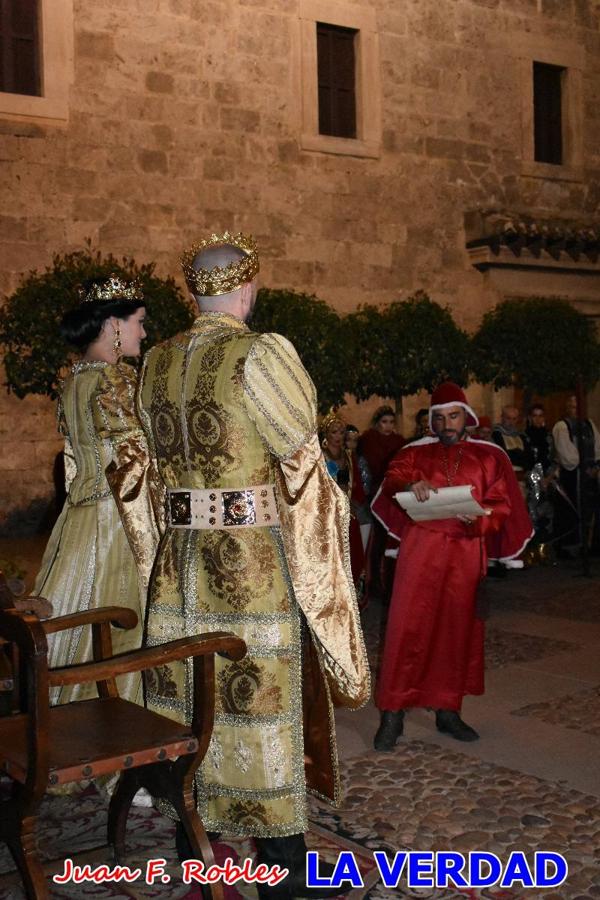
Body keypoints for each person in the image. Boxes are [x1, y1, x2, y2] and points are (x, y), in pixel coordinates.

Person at [137, 232, 369, 898]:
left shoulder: (155, 362)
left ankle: (197, 844)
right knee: (258, 707)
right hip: (249, 569)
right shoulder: (261, 354)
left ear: (192, 293)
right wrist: (325, 552)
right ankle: (282, 869)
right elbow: (301, 466)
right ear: (246, 289)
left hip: (180, 568)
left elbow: (155, 480)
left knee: (195, 701)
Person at [371, 382, 532, 749]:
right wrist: (413, 483)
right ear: (432, 421)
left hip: (464, 554)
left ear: (467, 417)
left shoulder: (488, 457)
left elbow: (501, 505)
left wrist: (478, 519)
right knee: (405, 630)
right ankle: (393, 714)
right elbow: (393, 478)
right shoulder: (414, 454)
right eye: (439, 418)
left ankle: (447, 710)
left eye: (453, 416)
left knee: (455, 632)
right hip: (421, 551)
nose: (447, 424)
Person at [33, 275, 163, 705]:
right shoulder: (116, 382)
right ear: (113, 325)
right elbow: (139, 464)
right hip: (116, 525)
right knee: (122, 633)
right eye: (139, 322)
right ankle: (118, 734)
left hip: (78, 521)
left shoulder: (73, 381)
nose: (144, 332)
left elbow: (74, 464)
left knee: (73, 626)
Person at [358, 406, 405, 599]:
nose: (388, 426)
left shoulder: (399, 442)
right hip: (375, 496)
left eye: (391, 422)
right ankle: (375, 582)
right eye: (384, 422)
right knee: (377, 542)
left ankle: (392, 583)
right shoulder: (368, 440)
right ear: (377, 423)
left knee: (392, 538)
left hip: (393, 496)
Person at [321, 413, 366, 593]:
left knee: (353, 552)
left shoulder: (348, 456)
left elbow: (355, 485)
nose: (339, 436)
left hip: (347, 511)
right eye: (334, 432)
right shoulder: (320, 456)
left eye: (341, 432)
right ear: (327, 434)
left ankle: (354, 594)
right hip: (328, 513)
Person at [552, 394, 600, 556]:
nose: (576, 410)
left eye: (578, 406)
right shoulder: (562, 426)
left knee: (590, 509)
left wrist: (595, 466)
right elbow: (567, 456)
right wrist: (584, 465)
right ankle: (571, 547)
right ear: (568, 407)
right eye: (572, 406)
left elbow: (598, 446)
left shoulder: (589, 424)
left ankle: (589, 545)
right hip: (572, 476)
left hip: (590, 475)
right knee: (572, 510)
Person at [492, 405, 534, 488]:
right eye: (508, 418)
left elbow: (529, 456)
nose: (511, 422)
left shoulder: (522, 436)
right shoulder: (496, 435)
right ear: (502, 418)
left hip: (521, 477)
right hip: (503, 477)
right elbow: (502, 455)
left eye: (514, 419)